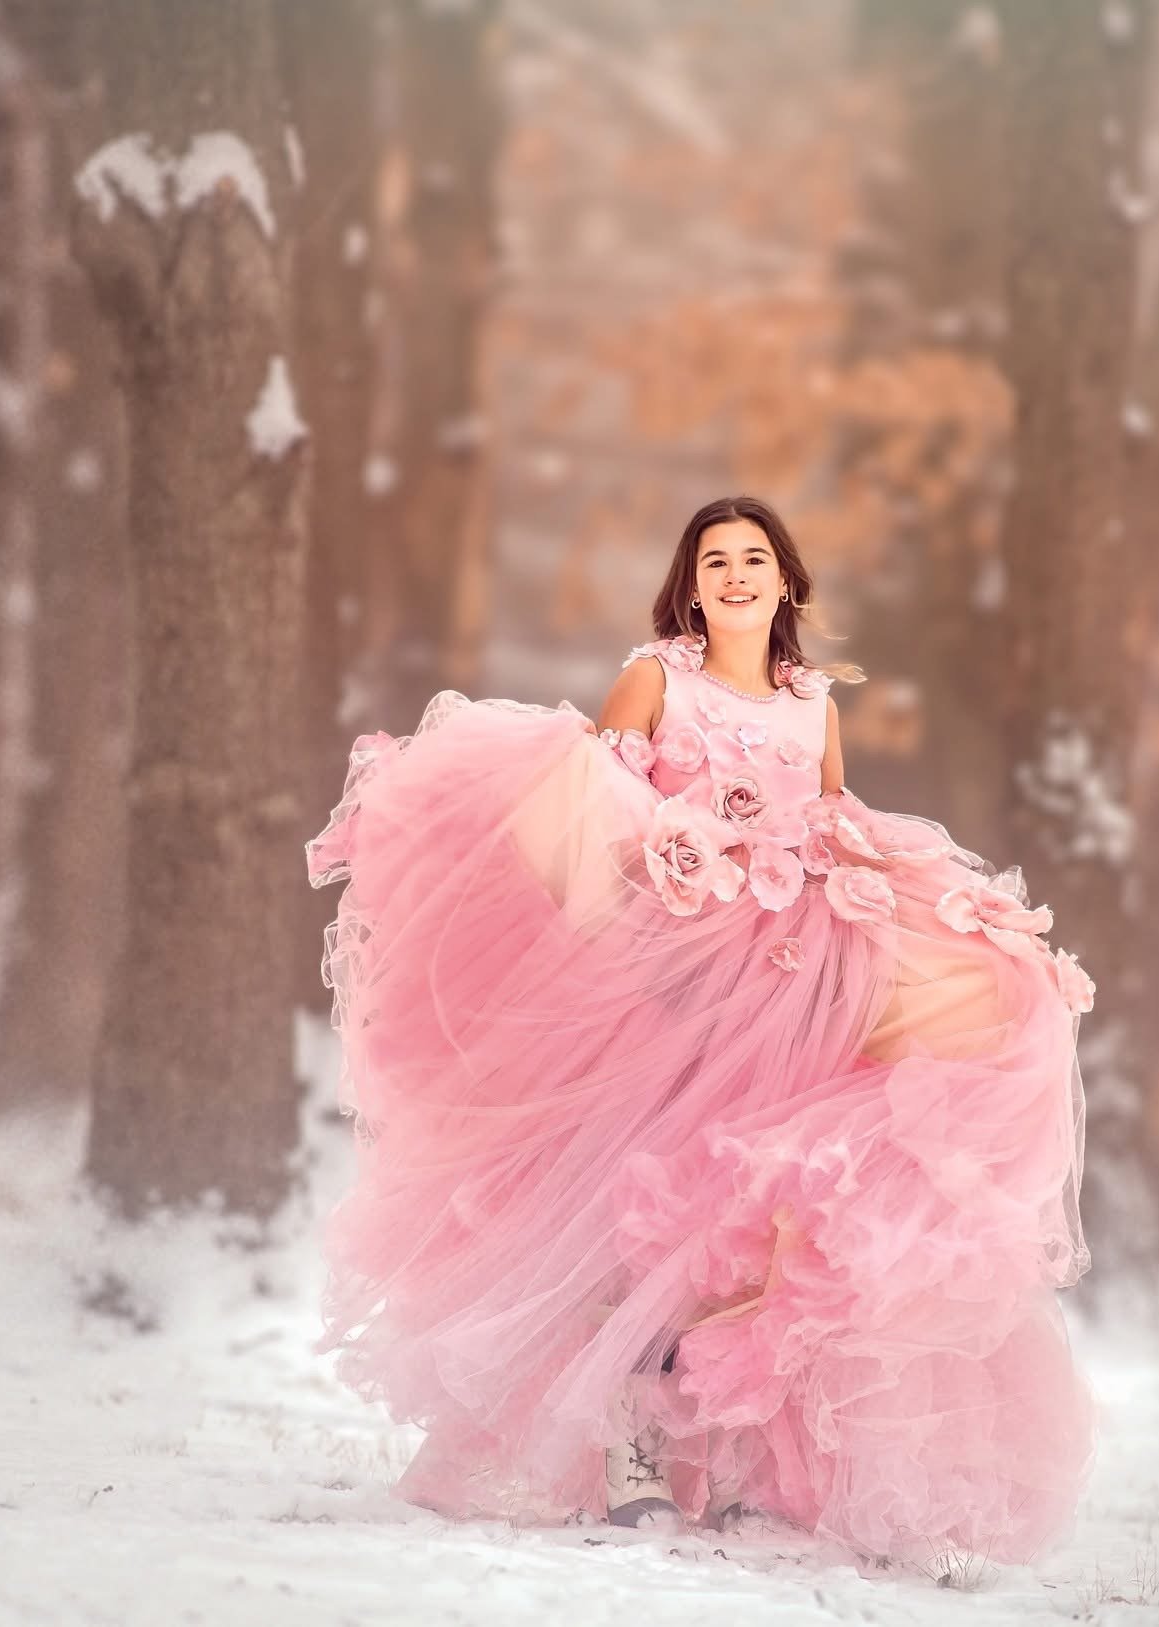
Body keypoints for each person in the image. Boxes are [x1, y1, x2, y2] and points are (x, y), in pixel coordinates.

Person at [305, 494, 1099, 1573]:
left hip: (781, 987)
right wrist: (661, 890)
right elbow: (594, 809)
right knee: (628, 1206)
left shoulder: (811, 706)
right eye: (714, 559)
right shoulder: (656, 678)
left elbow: (834, 830)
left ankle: (722, 1454)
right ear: (690, 584)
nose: (734, 574)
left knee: (739, 1211)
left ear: (785, 584)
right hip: (672, 977)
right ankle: (630, 1448)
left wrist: (947, 907)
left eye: (754, 558)